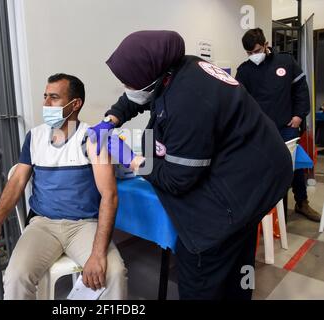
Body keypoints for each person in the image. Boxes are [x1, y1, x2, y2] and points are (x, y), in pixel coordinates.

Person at [88, 30, 292, 300]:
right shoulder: (182, 65)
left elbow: (178, 179)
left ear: (152, 75)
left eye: (128, 81)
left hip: (244, 185)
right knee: (240, 260)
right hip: (259, 167)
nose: (126, 87)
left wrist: (134, 160)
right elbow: (136, 97)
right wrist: (112, 118)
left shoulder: (187, 100)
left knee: (202, 262)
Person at [0, 73, 127, 300]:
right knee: (16, 275)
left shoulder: (93, 138)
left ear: (75, 104)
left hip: (83, 225)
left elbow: (110, 195)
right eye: (45, 96)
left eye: (54, 98)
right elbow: (18, 180)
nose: (46, 104)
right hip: (43, 224)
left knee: (114, 273)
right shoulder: (35, 137)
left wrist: (98, 255)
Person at [236, 28, 321, 222]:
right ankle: (274, 209)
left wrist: (299, 115)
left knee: (294, 167)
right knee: (267, 169)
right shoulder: (244, 70)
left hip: (287, 126)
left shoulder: (286, 62)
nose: (253, 56)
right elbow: (240, 101)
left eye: (256, 51)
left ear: (266, 45)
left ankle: (302, 202)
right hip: (261, 131)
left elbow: (301, 89)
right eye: (249, 53)